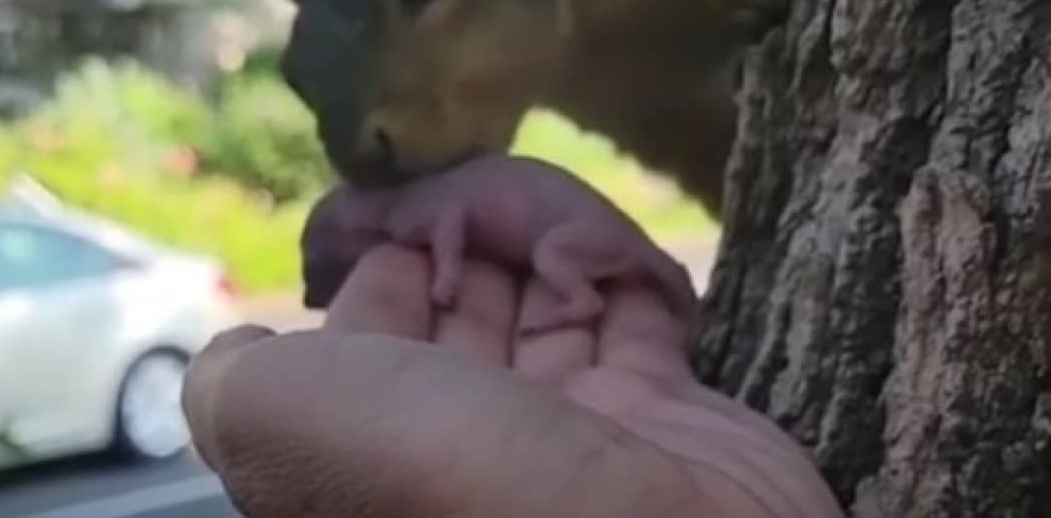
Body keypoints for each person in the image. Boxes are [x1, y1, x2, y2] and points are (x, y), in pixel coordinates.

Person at [181, 159, 843, 518]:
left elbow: (448, 237)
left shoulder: (413, 210)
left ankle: (576, 296)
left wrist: (444, 282)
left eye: (324, 266)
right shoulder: (418, 201)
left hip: (574, 242)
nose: (319, 288)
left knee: (559, 256)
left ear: (353, 230)